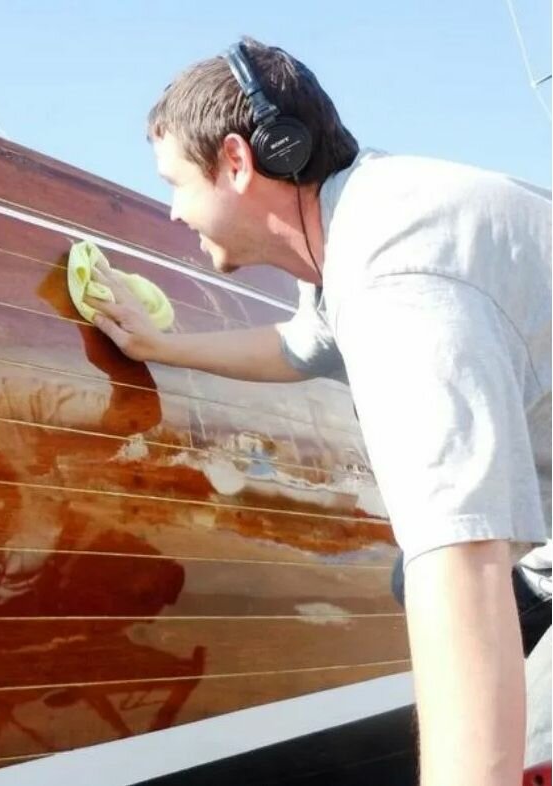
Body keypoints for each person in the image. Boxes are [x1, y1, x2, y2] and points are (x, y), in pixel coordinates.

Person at [87, 36, 551, 786]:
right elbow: (302, 344)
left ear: (237, 161)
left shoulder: (397, 281)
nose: (172, 210)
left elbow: (461, 558)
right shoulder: (362, 214)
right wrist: (161, 347)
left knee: (517, 745)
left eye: (175, 183)